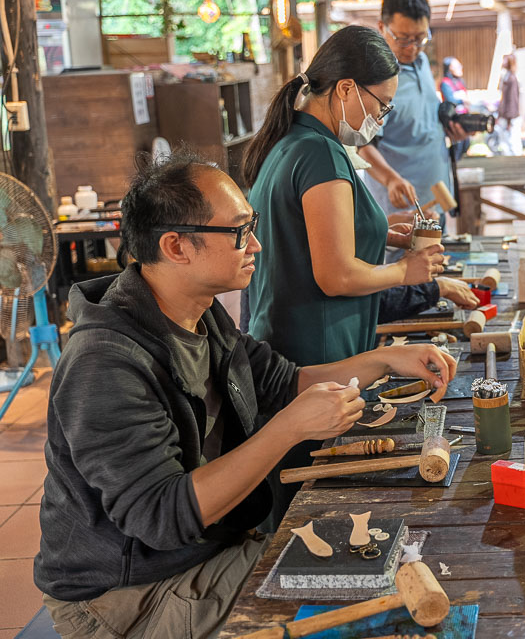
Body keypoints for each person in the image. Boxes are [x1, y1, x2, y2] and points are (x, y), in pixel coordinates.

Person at [35, 152, 456, 639]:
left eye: (251, 226)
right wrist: (289, 428)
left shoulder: (198, 312)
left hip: (206, 549)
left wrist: (386, 360)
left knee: (388, 553)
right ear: (175, 246)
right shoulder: (105, 363)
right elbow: (162, 517)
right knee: (366, 601)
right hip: (127, 597)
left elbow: (281, 380)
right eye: (238, 232)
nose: (254, 243)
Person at [243, 25, 447, 367]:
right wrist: (404, 272)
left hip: (287, 344)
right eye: (382, 106)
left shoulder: (290, 141)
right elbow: (337, 276)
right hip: (316, 350)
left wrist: (381, 233)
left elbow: (301, 239)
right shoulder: (321, 153)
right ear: (347, 88)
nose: (380, 122)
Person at [358, 0, 468, 213]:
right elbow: (362, 145)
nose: (412, 48)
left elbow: (417, 122)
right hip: (400, 211)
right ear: (382, 27)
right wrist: (390, 180)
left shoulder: (423, 63)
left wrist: (451, 130)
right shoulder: (375, 79)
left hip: (436, 202)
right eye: (402, 39)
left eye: (420, 38)